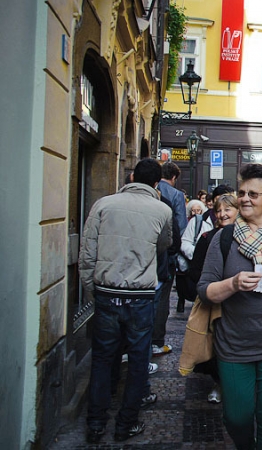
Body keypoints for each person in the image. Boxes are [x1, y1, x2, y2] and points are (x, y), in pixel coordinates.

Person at [196, 163, 262, 449]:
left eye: (253, 194)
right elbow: (204, 290)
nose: (244, 198)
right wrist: (232, 284)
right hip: (234, 344)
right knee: (237, 417)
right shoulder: (224, 238)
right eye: (242, 192)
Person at [80, 158, 172, 444]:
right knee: (137, 360)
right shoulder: (162, 209)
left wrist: (91, 289)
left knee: (102, 359)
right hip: (141, 296)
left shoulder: (103, 205)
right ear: (157, 183)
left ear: (132, 176)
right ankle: (126, 424)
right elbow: (165, 244)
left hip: (107, 292)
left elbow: (87, 252)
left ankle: (95, 425)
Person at [187, 193, 239, 404]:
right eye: (218, 210)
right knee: (215, 344)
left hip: (238, 303)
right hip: (215, 301)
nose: (222, 214)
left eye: (227, 209)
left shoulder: (246, 236)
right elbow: (196, 271)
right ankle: (219, 382)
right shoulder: (208, 237)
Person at [154, 161, 187, 355]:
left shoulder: (155, 190)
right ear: (174, 178)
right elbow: (181, 227)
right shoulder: (175, 195)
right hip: (165, 255)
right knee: (162, 298)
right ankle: (157, 340)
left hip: (145, 253)